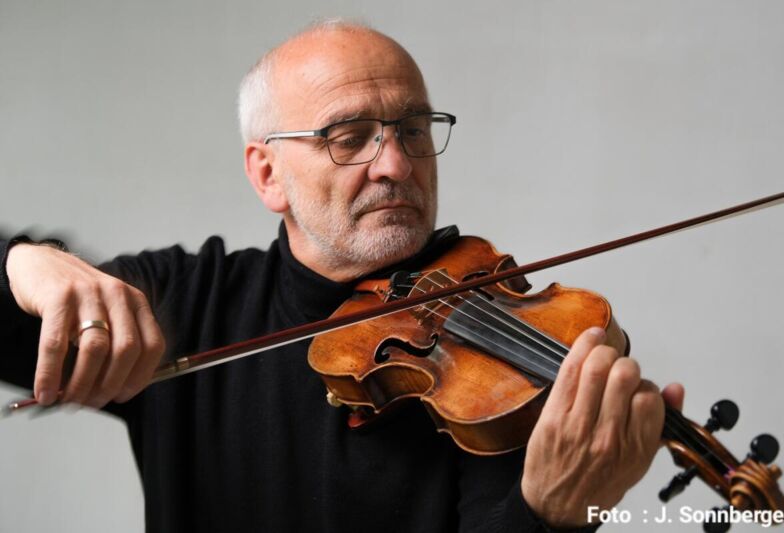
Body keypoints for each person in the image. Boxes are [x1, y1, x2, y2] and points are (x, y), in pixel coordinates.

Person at [0, 21, 683, 532]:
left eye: (413, 129)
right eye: (349, 137)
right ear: (268, 174)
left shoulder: (494, 367)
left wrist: (548, 517)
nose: (396, 164)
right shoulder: (186, 300)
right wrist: (21, 259)